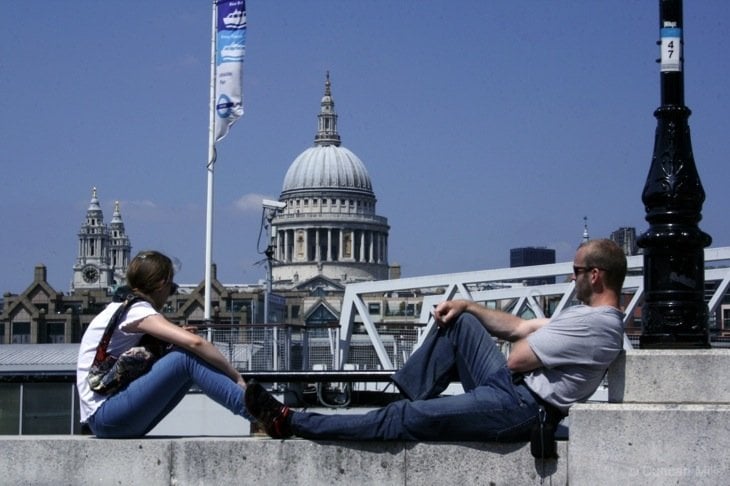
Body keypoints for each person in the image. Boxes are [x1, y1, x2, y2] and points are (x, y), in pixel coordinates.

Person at [245, 238, 627, 441]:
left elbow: (517, 357)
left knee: (403, 419)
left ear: (595, 275)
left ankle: (291, 422)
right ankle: (405, 398)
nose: (569, 278)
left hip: (522, 406)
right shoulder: (584, 317)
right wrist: (468, 305)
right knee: (460, 323)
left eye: (575, 271)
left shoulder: (598, 325)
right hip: (512, 389)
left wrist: (532, 345)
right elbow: (519, 328)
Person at [76, 250, 252, 437]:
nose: (170, 294)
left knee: (182, 356)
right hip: (106, 415)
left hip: (107, 418)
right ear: (162, 284)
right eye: (172, 287)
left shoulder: (122, 307)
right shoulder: (136, 309)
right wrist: (236, 378)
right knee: (186, 358)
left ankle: (263, 413)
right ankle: (262, 414)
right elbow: (197, 344)